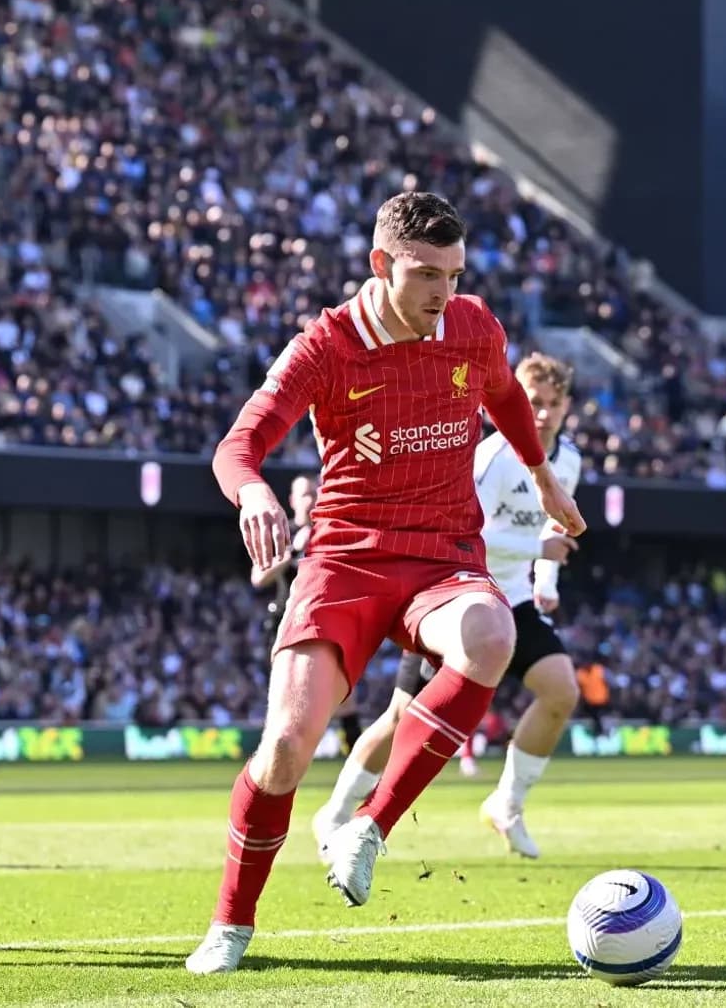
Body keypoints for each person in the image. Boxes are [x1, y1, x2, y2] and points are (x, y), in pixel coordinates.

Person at [186, 192, 583, 974]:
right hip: (345, 561)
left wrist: (542, 477)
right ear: (380, 265)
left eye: (455, 272)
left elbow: (503, 395)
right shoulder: (325, 346)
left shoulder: (473, 326)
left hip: (443, 555)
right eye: (427, 274)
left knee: (492, 635)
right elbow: (237, 447)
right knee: (286, 750)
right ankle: (231, 924)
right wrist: (256, 491)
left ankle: (370, 825)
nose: (444, 291)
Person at [312, 352, 584, 861]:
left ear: (567, 406)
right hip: (458, 594)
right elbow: (469, 530)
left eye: (552, 404)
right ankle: (336, 811)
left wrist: (546, 578)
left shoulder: (568, 461)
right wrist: (537, 554)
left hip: (514, 600)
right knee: (401, 717)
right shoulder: (491, 457)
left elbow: (553, 526)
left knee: (561, 690)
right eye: (532, 403)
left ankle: (507, 803)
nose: (542, 414)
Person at [250, 476, 365, 753]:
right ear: (291, 500)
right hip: (285, 623)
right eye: (304, 494)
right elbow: (258, 577)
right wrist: (292, 552)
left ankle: (359, 770)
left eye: (314, 493)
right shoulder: (283, 533)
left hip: (325, 620)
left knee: (346, 697)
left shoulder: (332, 533)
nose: (310, 499)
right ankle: (270, 760)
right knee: (283, 700)